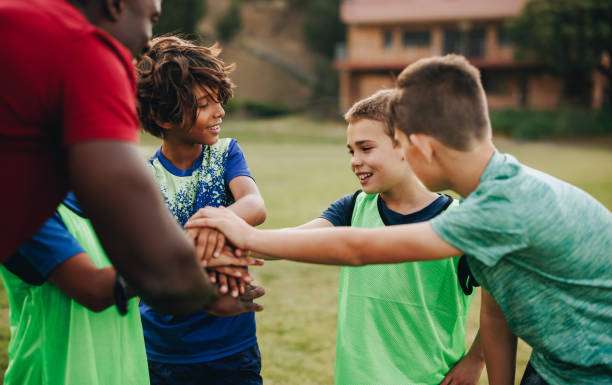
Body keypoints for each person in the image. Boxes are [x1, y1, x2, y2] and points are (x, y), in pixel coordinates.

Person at [186, 55, 612, 385]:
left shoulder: (494, 210)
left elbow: (356, 249)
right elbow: (497, 315)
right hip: (557, 364)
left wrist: (240, 230)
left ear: (420, 147)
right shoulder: (505, 185)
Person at [0, 0, 257, 316]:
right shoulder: (82, 48)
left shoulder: (23, 23)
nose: (149, 41)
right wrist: (208, 292)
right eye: (151, 18)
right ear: (115, 5)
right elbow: (120, 186)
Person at [295, 89, 484, 385]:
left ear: (406, 145)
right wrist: (236, 237)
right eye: (351, 151)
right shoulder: (353, 208)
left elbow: (507, 301)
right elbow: (292, 241)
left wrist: (476, 359)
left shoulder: (461, 221)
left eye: (366, 148)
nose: (355, 161)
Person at [0, 193, 262, 384]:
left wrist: (202, 292)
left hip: (125, 370)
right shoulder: (19, 202)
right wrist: (193, 256)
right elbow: (93, 289)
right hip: (55, 374)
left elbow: (136, 283)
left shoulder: (99, 196)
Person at [136, 36, 267, 385]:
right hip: (165, 347)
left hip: (231, 341)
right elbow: (150, 257)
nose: (220, 111)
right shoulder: (146, 178)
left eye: (219, 100)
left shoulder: (225, 153)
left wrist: (210, 224)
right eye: (205, 103)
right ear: (165, 116)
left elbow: (254, 205)